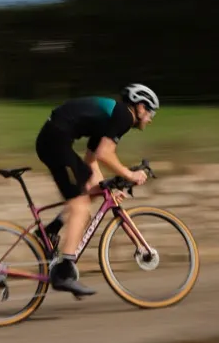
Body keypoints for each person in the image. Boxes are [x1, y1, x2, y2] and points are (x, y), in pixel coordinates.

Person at [33, 83, 159, 297]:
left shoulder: (110, 118)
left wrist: (106, 189)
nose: (151, 118)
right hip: (55, 141)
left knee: (85, 198)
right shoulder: (124, 116)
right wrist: (130, 175)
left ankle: (50, 230)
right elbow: (105, 154)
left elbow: (92, 160)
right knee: (80, 207)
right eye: (150, 111)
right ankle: (64, 273)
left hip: (53, 139)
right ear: (139, 107)